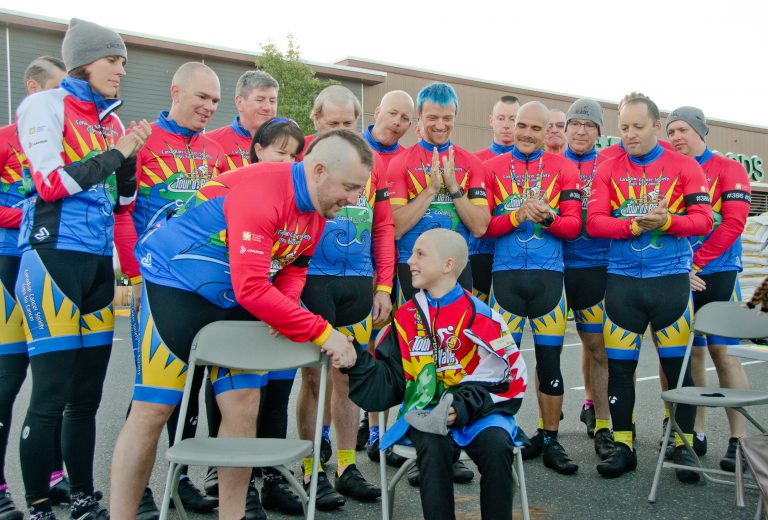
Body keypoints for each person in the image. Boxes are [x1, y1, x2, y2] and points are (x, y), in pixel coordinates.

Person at [109, 130, 368, 520]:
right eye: (350, 187)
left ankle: (233, 515)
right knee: (154, 408)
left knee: (244, 405)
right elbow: (251, 288)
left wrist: (287, 303)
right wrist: (322, 331)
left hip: (235, 295)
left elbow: (294, 268)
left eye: (359, 189)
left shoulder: (317, 213)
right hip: (175, 286)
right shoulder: (264, 189)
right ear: (317, 171)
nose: (355, 200)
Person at [15, 18, 152, 520]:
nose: (121, 70)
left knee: (85, 400)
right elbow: (51, 183)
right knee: (49, 395)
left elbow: (124, 203)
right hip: (51, 259)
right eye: (113, 60)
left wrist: (129, 161)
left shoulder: (111, 121)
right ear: (85, 62)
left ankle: (81, 495)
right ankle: (37, 506)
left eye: (123, 62)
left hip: (97, 266)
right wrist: (118, 153)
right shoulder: (44, 105)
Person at [344, 228, 527, 520]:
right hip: (425, 413)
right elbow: (390, 384)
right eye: (412, 253)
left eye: (420, 254)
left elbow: (510, 380)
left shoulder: (482, 315)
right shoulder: (404, 318)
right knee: (431, 442)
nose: (409, 262)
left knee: (497, 445)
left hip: (479, 412)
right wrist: (354, 360)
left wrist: (461, 407)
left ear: (448, 265)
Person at [113, 61, 226, 519]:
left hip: (200, 287)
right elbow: (121, 214)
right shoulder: (144, 141)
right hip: (156, 284)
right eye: (202, 97)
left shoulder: (216, 150)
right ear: (176, 91)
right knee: (152, 395)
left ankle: (178, 480)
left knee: (195, 386)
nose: (208, 108)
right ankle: (135, 492)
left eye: (215, 101)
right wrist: (133, 277)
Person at [587, 92, 713, 480]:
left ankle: (683, 444)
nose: (630, 135)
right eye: (623, 127)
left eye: (638, 127)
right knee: (621, 371)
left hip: (669, 284)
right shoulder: (608, 168)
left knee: (678, 371)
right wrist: (633, 226)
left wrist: (669, 223)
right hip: (623, 284)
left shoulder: (684, 166)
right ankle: (623, 445)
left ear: (656, 126)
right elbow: (593, 223)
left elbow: (704, 220)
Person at [388, 82, 490, 485]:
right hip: (411, 269)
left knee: (458, 357)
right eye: (432, 118)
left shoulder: (470, 163)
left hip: (456, 272)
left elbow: (480, 224)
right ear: (419, 120)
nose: (440, 125)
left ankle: (452, 445)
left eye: (447, 119)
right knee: (417, 359)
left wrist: (455, 188)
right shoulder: (400, 164)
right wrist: (431, 189)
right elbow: (395, 227)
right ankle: (416, 444)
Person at [204, 117, 306, 520]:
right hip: (234, 302)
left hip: (275, 306)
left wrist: (286, 303)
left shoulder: (298, 199)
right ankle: (232, 483)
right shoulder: (246, 186)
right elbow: (244, 271)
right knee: (234, 399)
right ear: (258, 150)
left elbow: (295, 263)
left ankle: (273, 479)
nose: (288, 160)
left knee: (277, 394)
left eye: (295, 154)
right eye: (281, 151)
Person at [295, 85, 391, 510]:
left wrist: (384, 286)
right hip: (313, 282)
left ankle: (347, 466)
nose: (340, 130)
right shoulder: (302, 164)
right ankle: (311, 465)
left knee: (349, 377)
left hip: (358, 284)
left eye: (347, 123)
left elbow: (384, 228)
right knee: (314, 377)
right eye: (331, 123)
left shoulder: (374, 166)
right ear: (316, 122)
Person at [483, 101, 581, 475]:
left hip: (549, 280)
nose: (525, 133)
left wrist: (551, 218)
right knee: (500, 364)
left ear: (547, 132)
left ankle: (551, 438)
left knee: (550, 364)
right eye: (520, 125)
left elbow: (574, 227)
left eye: (535, 129)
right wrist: (516, 215)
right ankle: (500, 435)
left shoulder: (565, 169)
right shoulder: (491, 169)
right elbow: (484, 227)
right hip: (505, 277)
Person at [666, 106, 752, 472]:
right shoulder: (669, 170)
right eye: (671, 132)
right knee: (691, 355)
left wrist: (697, 261)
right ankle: (696, 430)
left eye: (683, 130)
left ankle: (740, 439)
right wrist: (680, 267)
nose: (676, 138)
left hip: (717, 271)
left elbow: (733, 224)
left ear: (701, 131)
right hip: (682, 273)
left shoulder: (729, 169)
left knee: (723, 354)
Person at [0, 56, 67, 520]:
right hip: (7, 261)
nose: (65, 101)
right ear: (32, 88)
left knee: (55, 381)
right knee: (8, 379)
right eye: (58, 90)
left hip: (49, 263)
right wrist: (34, 216)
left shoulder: (66, 140)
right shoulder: (6, 139)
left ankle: (51, 474)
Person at [358, 90, 414, 462]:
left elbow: (391, 225)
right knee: (361, 350)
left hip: (395, 265)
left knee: (393, 348)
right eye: (392, 114)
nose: (397, 122)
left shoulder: (409, 159)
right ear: (377, 111)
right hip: (355, 266)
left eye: (405, 118)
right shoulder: (354, 148)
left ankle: (384, 430)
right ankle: (360, 424)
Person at [561, 98, 614, 459]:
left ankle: (603, 420)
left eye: (589, 125)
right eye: (575, 124)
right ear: (564, 129)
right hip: (553, 266)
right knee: (546, 352)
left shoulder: (610, 165)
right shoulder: (551, 164)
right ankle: (544, 427)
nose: (581, 131)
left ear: (598, 131)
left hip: (594, 266)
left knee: (596, 345)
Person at [471, 95, 520, 303]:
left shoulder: (532, 165)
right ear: (491, 120)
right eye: (501, 118)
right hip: (478, 253)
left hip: (514, 255)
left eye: (513, 119)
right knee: (475, 322)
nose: (506, 125)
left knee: (504, 329)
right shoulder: (473, 160)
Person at [206, 70, 278, 170]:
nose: (268, 107)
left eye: (272, 101)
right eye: (260, 100)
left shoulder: (286, 145)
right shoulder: (209, 142)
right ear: (239, 102)